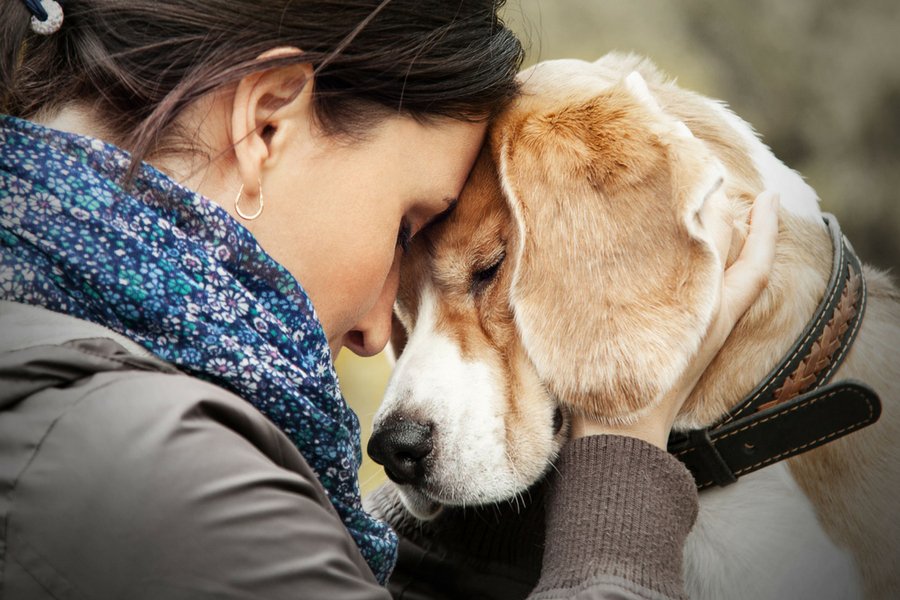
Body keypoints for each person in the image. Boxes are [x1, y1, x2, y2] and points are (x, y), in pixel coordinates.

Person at [0, 0, 779, 598]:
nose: (378, 332)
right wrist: (623, 455)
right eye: (407, 227)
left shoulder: (52, 363)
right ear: (266, 125)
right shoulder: (158, 476)